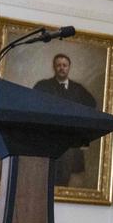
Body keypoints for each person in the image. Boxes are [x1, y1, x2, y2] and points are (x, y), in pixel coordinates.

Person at [34, 53, 97, 186]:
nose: (62, 68)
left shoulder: (78, 89)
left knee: (68, 174)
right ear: (54, 67)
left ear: (69, 67)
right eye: (58, 65)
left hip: (70, 139)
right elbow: (34, 105)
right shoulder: (43, 86)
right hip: (49, 137)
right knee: (45, 174)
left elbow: (91, 106)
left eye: (64, 65)